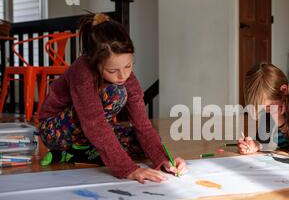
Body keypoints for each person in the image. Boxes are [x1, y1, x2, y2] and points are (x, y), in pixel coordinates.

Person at [39, 13, 187, 183]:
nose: (123, 75)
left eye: (128, 65)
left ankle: (75, 153)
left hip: (89, 132)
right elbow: (95, 124)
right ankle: (67, 150)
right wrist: (128, 169)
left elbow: (143, 125)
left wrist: (163, 161)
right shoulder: (82, 72)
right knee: (116, 93)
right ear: (96, 63)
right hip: (54, 129)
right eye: (112, 71)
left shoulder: (126, 77)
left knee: (143, 143)